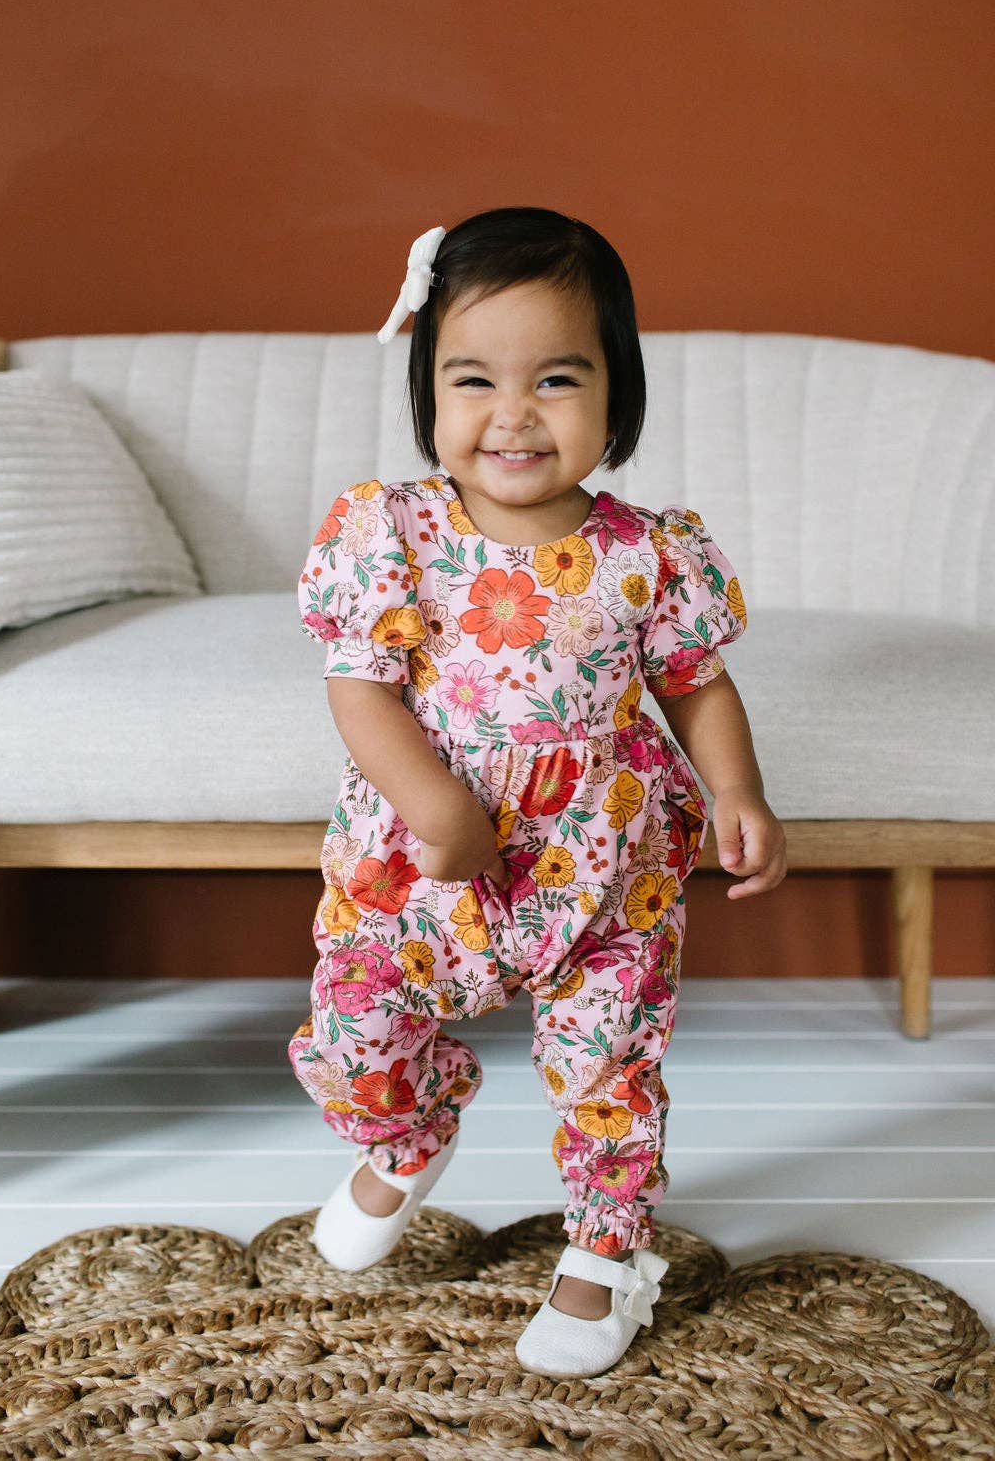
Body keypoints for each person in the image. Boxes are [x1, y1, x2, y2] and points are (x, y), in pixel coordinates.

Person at [288, 207, 787, 1378]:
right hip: (419, 857)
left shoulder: (648, 553)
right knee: (358, 1024)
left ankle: (603, 1253)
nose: (512, 413)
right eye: (473, 379)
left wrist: (737, 790)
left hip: (602, 864)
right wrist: (438, 807)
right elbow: (360, 690)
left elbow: (695, 684)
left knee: (609, 1062)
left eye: (556, 379)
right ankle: (406, 1133)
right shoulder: (391, 531)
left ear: (617, 398)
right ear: (428, 392)